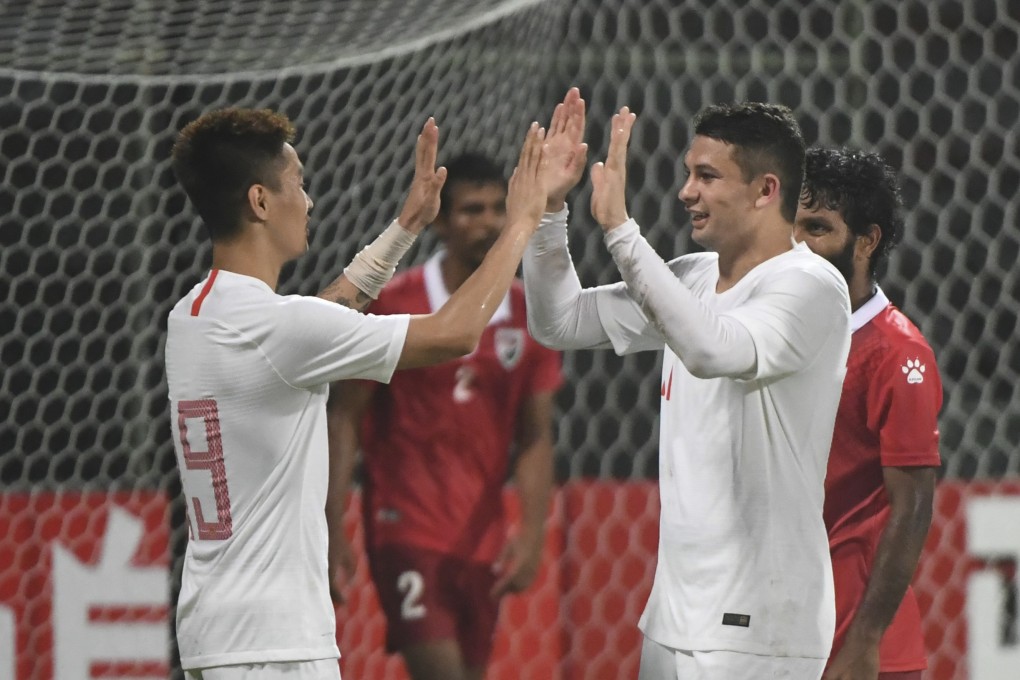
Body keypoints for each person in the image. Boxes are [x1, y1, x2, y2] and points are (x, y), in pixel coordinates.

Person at [165, 108, 549, 679]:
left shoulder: (195, 313)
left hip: (214, 629)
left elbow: (321, 314)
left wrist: (406, 225)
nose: (310, 200)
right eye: (297, 182)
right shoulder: (279, 328)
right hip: (276, 645)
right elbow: (455, 333)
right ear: (260, 202)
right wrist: (522, 222)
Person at [523, 88, 851, 679]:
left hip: (759, 627)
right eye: (687, 174)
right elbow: (559, 320)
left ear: (765, 190)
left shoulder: (811, 286)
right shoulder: (693, 277)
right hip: (674, 618)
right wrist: (549, 213)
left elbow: (711, 349)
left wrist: (621, 230)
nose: (686, 193)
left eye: (707, 176)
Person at [326, 152, 562, 680]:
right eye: (471, 209)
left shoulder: (528, 314)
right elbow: (345, 415)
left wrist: (531, 535)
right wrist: (331, 522)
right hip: (405, 528)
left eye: (498, 209)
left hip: (481, 535)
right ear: (442, 220)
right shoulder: (395, 302)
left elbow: (535, 436)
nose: (487, 223)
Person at [794, 147, 942, 680]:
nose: (799, 246)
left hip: (858, 646)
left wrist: (866, 641)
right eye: (793, 226)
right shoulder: (779, 335)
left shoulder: (898, 354)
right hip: (781, 627)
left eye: (817, 228)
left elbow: (913, 505)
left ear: (868, 240)